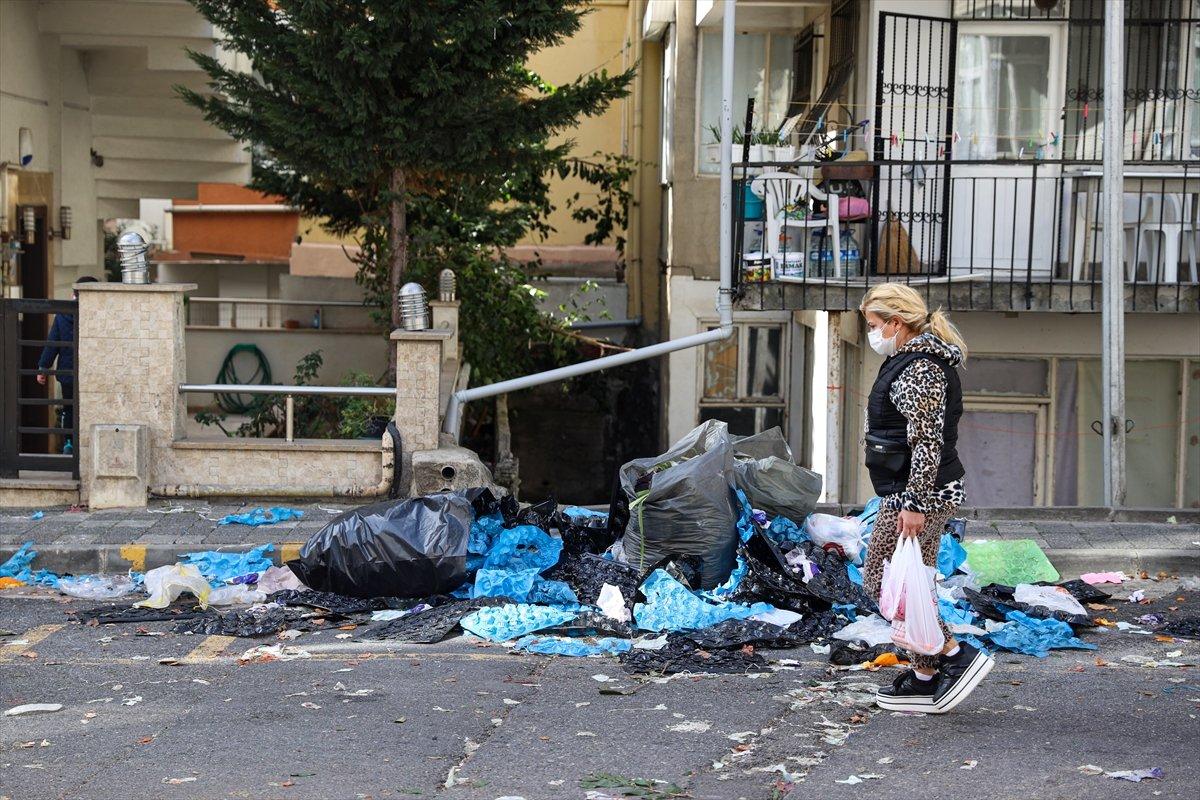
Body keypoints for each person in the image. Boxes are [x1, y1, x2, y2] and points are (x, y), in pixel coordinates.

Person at [858, 283, 993, 714]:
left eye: (875, 326)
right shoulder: (907, 361)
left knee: (886, 580)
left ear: (897, 323)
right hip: (909, 491)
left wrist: (914, 505)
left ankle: (954, 656)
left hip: (920, 495)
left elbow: (926, 444)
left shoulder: (921, 369)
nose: (873, 334)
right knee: (908, 584)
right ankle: (924, 674)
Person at [36, 276, 97, 452]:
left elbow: (52, 342)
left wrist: (43, 367)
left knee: (69, 408)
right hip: (90, 373)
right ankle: (87, 444)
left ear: (74, 294)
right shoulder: (96, 314)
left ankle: (69, 441)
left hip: (67, 373)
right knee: (89, 407)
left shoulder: (63, 314)